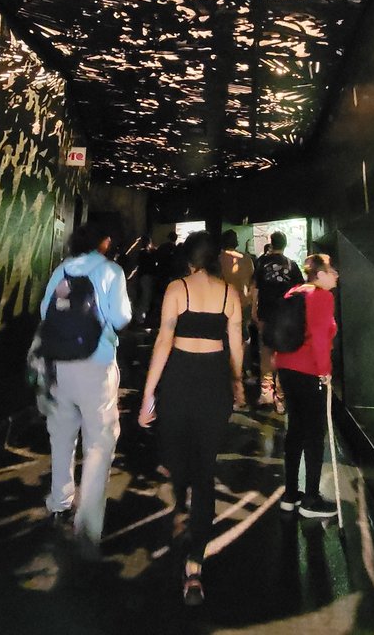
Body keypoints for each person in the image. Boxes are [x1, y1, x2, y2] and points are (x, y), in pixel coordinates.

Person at [138, 231, 245, 606]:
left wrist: (148, 393)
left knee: (177, 456)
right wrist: (237, 384)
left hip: (180, 379)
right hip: (215, 380)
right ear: (214, 259)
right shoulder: (231, 294)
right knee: (205, 471)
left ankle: (182, 510)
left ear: (189, 260)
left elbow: (164, 341)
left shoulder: (176, 288)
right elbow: (236, 344)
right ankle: (195, 565)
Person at [39, 221, 132, 558]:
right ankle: (87, 523)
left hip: (59, 364)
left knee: (61, 434)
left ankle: (59, 502)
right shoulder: (111, 271)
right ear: (103, 242)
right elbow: (122, 317)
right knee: (99, 442)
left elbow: (43, 311)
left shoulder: (61, 269)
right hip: (97, 363)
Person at [274, 254, 340, 519]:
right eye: (332, 270)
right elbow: (321, 337)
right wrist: (325, 371)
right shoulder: (322, 296)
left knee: (296, 430)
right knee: (314, 434)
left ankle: (290, 494)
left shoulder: (294, 291)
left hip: (287, 367)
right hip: (309, 370)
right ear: (320, 274)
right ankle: (311, 499)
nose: (337, 275)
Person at [252, 230, 303, 410]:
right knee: (282, 354)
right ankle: (280, 397)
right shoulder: (292, 265)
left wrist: (254, 311)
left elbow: (255, 289)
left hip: (266, 313)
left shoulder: (261, 263)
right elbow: (299, 291)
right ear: (285, 244)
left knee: (265, 351)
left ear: (271, 243)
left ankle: (266, 392)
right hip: (286, 316)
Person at [217, 230, 255, 376]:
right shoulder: (246, 259)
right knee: (244, 337)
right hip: (244, 303)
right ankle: (247, 369)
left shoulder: (218, 259)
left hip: (224, 303)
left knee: (225, 337)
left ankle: (228, 369)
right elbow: (251, 281)